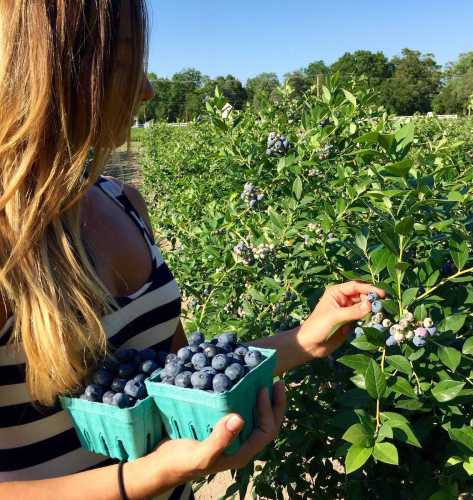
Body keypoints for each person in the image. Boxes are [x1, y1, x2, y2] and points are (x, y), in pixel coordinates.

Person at [0, 1, 384, 499]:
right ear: (50, 74)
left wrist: (302, 341)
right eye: (121, 66)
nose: (146, 91)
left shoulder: (124, 203)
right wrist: (149, 476)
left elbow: (180, 379)